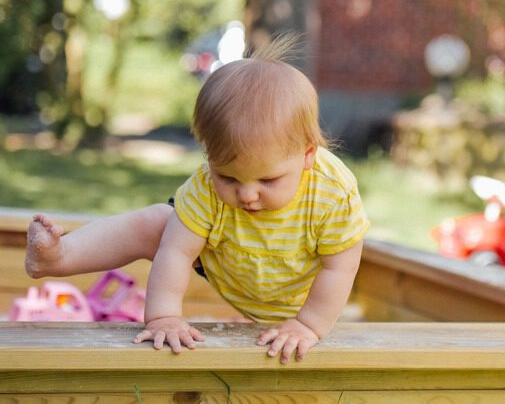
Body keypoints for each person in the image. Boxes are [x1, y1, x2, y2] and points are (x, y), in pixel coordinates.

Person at [24, 35, 369, 363]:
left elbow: (340, 265)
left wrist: (308, 325)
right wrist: (163, 317)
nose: (247, 194)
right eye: (228, 177)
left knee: (324, 281)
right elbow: (176, 252)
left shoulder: (332, 193)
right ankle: (58, 257)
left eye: (268, 179)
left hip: (298, 291)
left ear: (308, 155)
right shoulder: (204, 186)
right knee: (158, 223)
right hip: (229, 260)